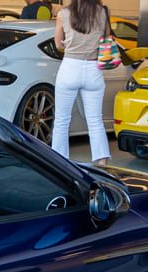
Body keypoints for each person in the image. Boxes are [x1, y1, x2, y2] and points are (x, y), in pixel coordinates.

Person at [52, 0, 111, 164]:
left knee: (62, 120)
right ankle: (102, 161)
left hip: (70, 66)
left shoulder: (63, 13)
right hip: (93, 69)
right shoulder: (103, 12)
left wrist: (70, 43)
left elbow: (58, 44)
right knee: (95, 120)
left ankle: (59, 161)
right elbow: (106, 38)